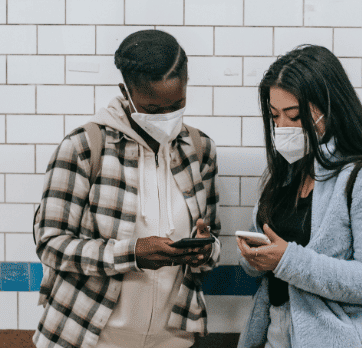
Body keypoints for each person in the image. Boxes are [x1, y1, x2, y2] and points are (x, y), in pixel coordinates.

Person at [33, 29, 221, 348]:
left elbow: (213, 234)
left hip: (172, 340)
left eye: (177, 104)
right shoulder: (84, 147)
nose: (167, 117)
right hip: (90, 337)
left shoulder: (200, 149)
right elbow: (50, 244)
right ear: (126, 92)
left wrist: (206, 249)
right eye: (152, 107)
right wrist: (132, 253)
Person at [236, 45, 362, 348]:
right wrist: (254, 257)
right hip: (276, 334)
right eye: (274, 116)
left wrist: (287, 259)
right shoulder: (287, 172)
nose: (282, 128)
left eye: (294, 115)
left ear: (331, 107)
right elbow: (269, 255)